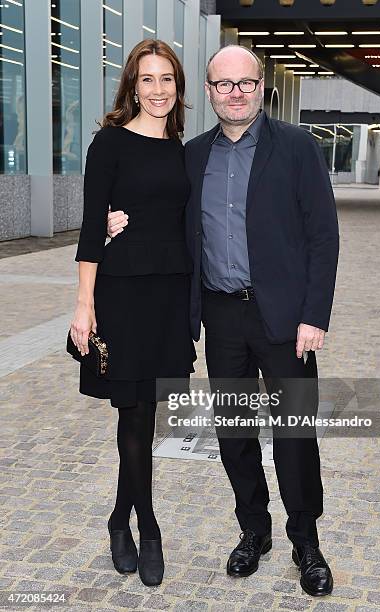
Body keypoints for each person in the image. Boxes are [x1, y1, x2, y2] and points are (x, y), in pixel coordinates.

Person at [107, 45, 339, 597]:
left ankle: (306, 540)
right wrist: (113, 222)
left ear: (262, 87)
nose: (235, 93)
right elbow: (158, 208)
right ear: (208, 93)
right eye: (223, 84)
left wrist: (314, 314)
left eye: (245, 83)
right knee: (234, 436)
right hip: (220, 314)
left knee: (294, 435)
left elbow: (323, 236)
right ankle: (253, 531)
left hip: (285, 321)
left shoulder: (298, 148)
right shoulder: (191, 156)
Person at [70, 39, 195, 586]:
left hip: (169, 295)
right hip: (121, 294)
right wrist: (83, 305)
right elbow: (90, 224)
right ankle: (148, 527)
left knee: (147, 416)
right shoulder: (109, 144)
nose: (158, 89)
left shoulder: (181, 150)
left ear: (178, 87)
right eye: (147, 79)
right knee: (132, 415)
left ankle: (119, 518)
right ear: (131, 86)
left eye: (166, 78)